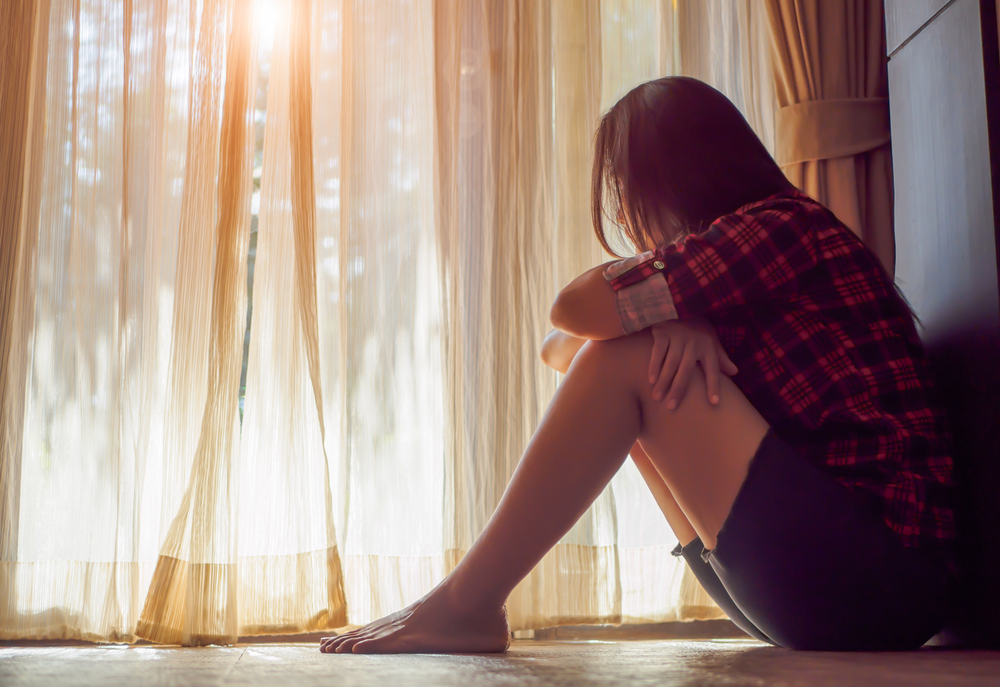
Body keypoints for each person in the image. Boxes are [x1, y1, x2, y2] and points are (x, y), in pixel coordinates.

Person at [320, 76, 955, 654]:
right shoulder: (728, 264)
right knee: (634, 357)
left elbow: (572, 307)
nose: (623, 215)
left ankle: (467, 602)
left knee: (635, 358)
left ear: (676, 173)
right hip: (817, 582)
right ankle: (465, 600)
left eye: (626, 189)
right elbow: (562, 345)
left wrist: (658, 320)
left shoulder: (782, 227)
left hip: (881, 575)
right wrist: (671, 318)